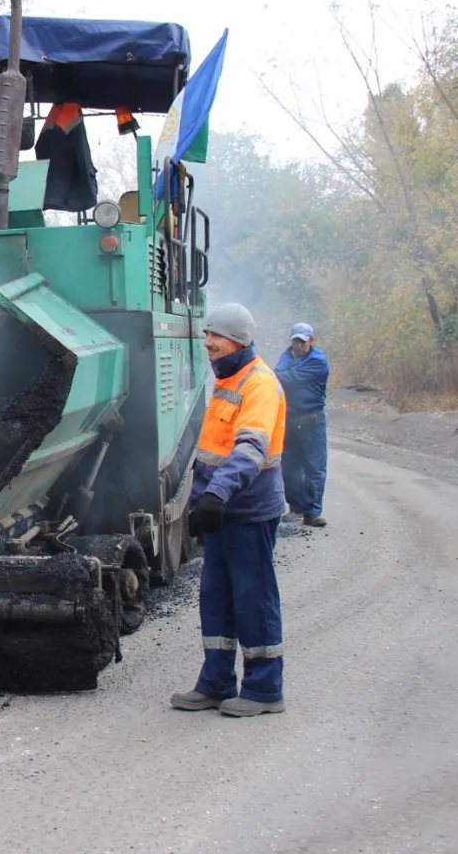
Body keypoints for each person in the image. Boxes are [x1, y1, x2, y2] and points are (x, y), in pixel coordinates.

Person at [171, 303, 288, 718]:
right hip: (221, 510)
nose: (207, 343)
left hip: (248, 511)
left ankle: (264, 689)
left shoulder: (259, 384)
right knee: (216, 597)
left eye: (214, 336)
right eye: (206, 336)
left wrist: (217, 494)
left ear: (238, 339)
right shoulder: (228, 379)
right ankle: (217, 682)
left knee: (252, 597)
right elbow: (211, 450)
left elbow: (250, 449)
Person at [276, 322, 330, 527]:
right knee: (289, 466)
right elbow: (278, 374)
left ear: (311, 341)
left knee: (313, 467)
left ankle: (312, 512)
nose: (298, 345)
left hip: (311, 421)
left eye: (302, 341)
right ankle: (296, 508)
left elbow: (288, 379)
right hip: (289, 420)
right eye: (295, 340)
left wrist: (281, 376)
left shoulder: (318, 362)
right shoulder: (286, 355)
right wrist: (279, 376)